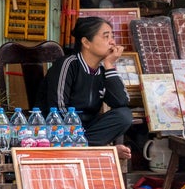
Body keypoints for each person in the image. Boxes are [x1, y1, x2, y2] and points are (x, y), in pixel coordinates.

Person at [40, 16, 132, 157]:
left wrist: (109, 65)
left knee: (124, 115)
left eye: (112, 36)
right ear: (86, 42)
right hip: (58, 130)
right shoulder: (68, 65)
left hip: (86, 131)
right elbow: (58, 109)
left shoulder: (102, 71)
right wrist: (78, 133)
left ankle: (89, 148)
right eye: (106, 37)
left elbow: (121, 102)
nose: (112, 42)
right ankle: (101, 149)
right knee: (60, 120)